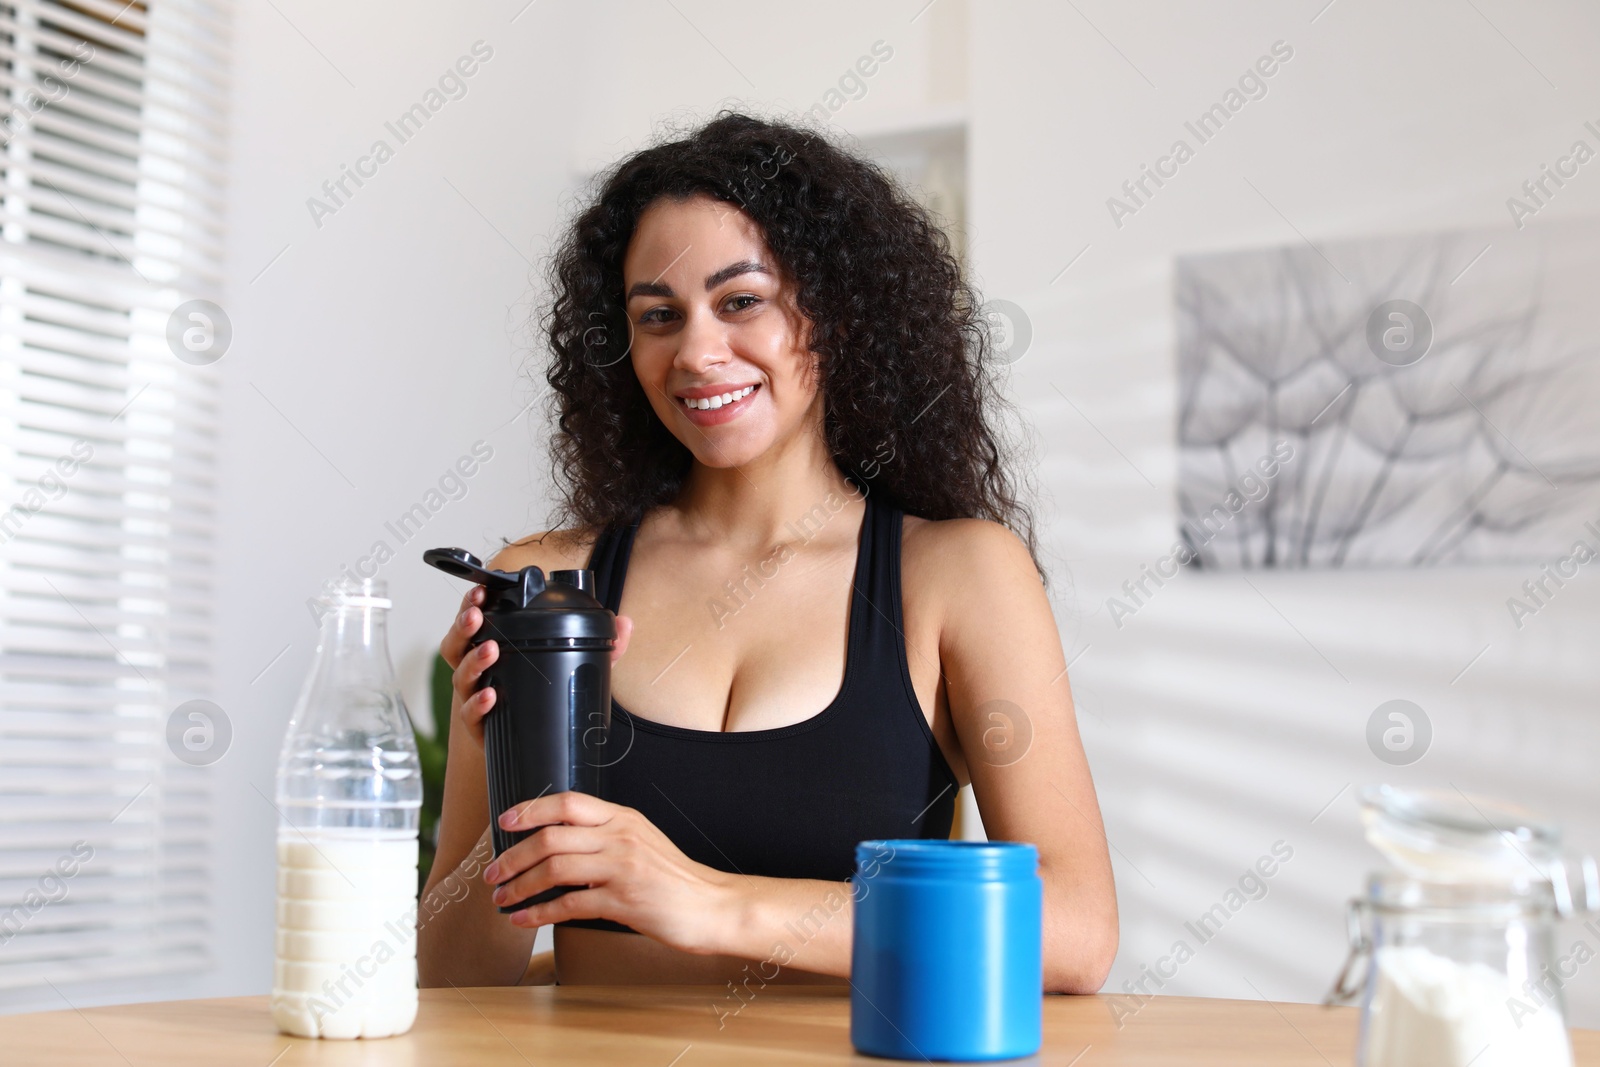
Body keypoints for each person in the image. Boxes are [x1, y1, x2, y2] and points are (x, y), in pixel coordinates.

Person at [417, 111, 1117, 991]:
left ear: (836, 311)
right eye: (658, 315)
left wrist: (712, 902)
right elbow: (450, 982)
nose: (698, 352)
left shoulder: (959, 575)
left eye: (740, 301)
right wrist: (507, 762)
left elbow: (1076, 929)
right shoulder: (552, 580)